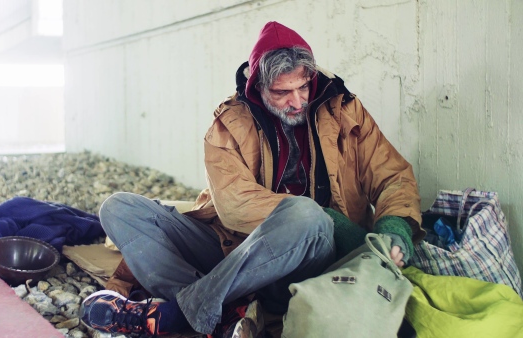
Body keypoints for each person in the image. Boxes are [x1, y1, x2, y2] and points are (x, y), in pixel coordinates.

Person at [79, 21, 425, 338]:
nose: (297, 101)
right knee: (119, 209)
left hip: (315, 255)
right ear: (258, 88)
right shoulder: (229, 122)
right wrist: (316, 217)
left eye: (303, 87)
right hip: (237, 247)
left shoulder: (345, 108)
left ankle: (180, 315)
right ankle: (226, 311)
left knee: (306, 217)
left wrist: (394, 226)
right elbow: (233, 206)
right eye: (282, 93)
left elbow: (392, 174)